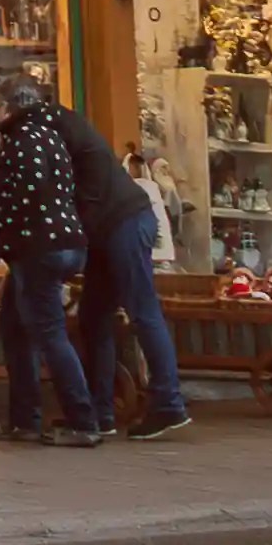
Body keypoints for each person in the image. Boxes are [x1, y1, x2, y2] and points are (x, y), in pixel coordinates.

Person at [0, 71, 98, 444]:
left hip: (38, 247)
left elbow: (29, 195)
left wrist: (5, 236)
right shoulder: (48, 134)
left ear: (10, 107)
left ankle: (82, 421)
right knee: (15, 326)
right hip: (57, 243)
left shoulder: (23, 140)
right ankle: (24, 419)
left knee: (48, 332)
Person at [67, 95, 190, 439]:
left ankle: (169, 403)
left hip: (124, 224)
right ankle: (101, 411)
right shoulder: (69, 133)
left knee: (143, 310)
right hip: (114, 227)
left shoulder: (58, 139)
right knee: (94, 314)